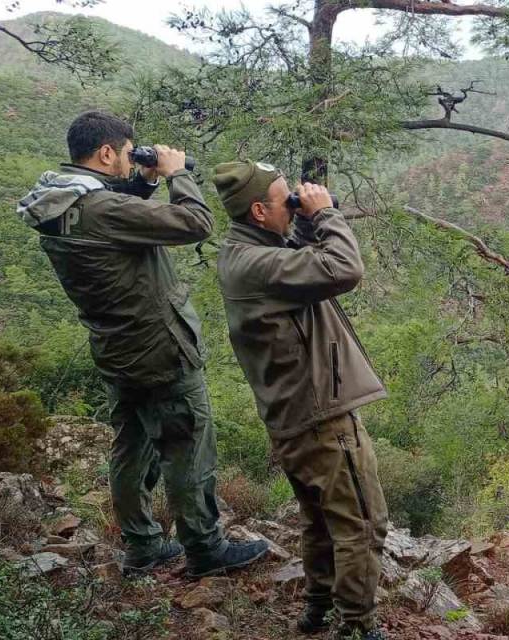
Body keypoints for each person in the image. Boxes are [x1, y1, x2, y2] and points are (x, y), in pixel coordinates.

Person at [16, 111, 268, 577]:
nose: (133, 161)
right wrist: (174, 175)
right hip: (160, 346)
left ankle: (143, 545)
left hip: (116, 348)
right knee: (187, 443)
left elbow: (111, 216)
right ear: (106, 152)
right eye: (128, 153)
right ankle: (206, 549)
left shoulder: (58, 203)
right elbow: (195, 223)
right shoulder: (103, 209)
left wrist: (144, 183)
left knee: (131, 445)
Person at [212, 161, 389, 640]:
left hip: (293, 415)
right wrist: (327, 215)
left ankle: (316, 611)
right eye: (283, 199)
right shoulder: (260, 264)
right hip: (321, 419)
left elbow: (307, 264)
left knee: (321, 522)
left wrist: (305, 219)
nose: (292, 202)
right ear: (257, 211)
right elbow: (344, 268)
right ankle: (357, 626)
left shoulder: (246, 251)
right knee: (362, 524)